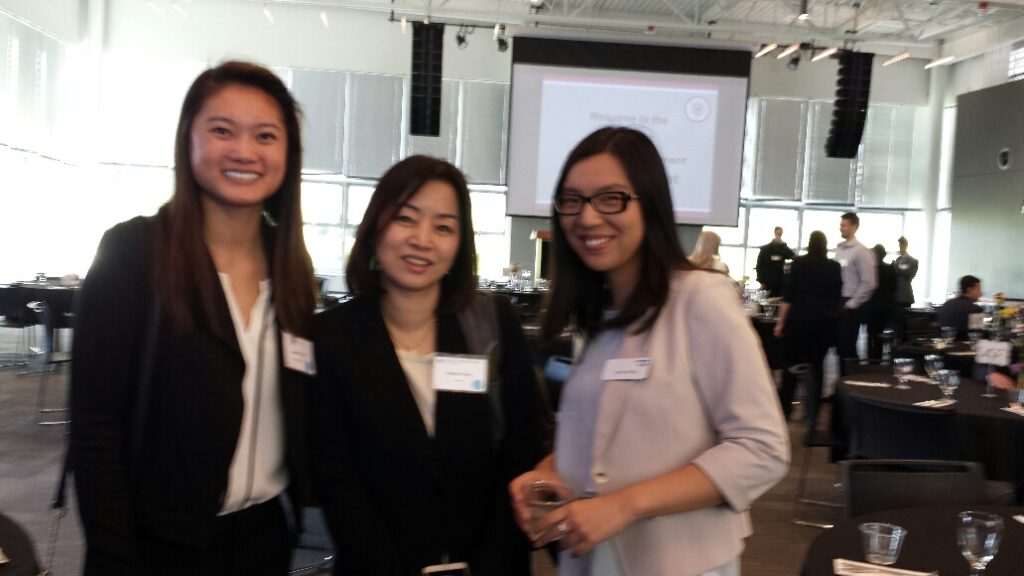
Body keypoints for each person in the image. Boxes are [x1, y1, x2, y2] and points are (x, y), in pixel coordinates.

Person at [70, 61, 317, 575]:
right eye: (222, 130)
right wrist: (114, 557)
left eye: (265, 136)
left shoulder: (292, 267)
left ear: (287, 154)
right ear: (189, 140)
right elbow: (96, 428)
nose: (244, 151)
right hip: (159, 544)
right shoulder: (135, 254)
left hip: (265, 538)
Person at [508, 127, 789, 576]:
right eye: (573, 200)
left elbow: (762, 450)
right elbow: (604, 437)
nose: (587, 217)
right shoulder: (599, 315)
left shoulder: (700, 298)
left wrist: (625, 506)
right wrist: (548, 472)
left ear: (650, 204)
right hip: (592, 560)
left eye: (610, 198)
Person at [310, 155, 552, 575]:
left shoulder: (491, 324)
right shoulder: (331, 337)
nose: (422, 239)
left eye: (443, 226)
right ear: (376, 227)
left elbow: (522, 451)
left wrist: (488, 563)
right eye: (406, 219)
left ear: (460, 244)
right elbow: (337, 479)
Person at [773, 231, 842, 425]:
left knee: (790, 367)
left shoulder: (798, 264)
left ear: (809, 244)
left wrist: (780, 322)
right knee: (817, 368)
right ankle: (813, 411)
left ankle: (786, 410)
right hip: (822, 325)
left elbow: (788, 296)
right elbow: (836, 297)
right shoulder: (834, 268)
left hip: (798, 322)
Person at [834, 212, 877, 369]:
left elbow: (869, 282)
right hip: (839, 301)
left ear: (854, 227)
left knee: (847, 348)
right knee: (840, 347)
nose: (841, 228)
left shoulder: (862, 252)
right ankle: (841, 384)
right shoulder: (839, 249)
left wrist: (852, 303)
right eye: (841, 225)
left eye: (844, 225)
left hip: (850, 304)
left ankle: (852, 381)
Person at [867, 244, 896, 360]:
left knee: (870, 334)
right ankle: (878, 357)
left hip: (872, 305)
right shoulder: (890, 269)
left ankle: (870, 357)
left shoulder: (871, 269)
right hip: (885, 306)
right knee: (880, 333)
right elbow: (893, 287)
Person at [936, 275, 984, 340]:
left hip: (942, 346)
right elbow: (976, 335)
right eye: (978, 289)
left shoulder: (947, 304)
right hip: (963, 347)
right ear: (969, 290)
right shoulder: (975, 309)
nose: (981, 293)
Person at [891, 236, 919, 341]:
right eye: (899, 245)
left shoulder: (912, 260)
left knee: (903, 322)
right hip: (894, 295)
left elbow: (908, 274)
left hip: (904, 295)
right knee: (896, 322)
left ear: (905, 245)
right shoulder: (898, 260)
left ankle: (902, 343)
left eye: (901, 245)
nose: (900, 248)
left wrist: (895, 267)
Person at [755, 226, 796, 296]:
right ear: (774, 233)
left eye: (780, 234)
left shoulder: (784, 249)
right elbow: (759, 266)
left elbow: (794, 257)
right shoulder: (765, 249)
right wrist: (761, 281)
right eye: (778, 234)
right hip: (767, 282)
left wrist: (783, 245)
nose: (779, 236)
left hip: (780, 282)